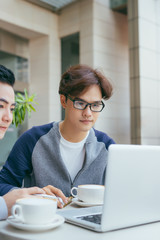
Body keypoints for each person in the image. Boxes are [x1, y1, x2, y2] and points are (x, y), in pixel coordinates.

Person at [0, 64, 115, 206]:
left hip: (92, 224)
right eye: (80, 103)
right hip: (45, 224)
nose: (88, 113)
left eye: (95, 105)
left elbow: (122, 191)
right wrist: (36, 194)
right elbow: (2, 184)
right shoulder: (32, 139)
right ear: (63, 100)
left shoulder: (108, 146)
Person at [0, 65, 45, 220]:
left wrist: (31, 193)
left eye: (11, 109)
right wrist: (3, 205)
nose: (8, 117)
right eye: (1, 106)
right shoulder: (33, 138)